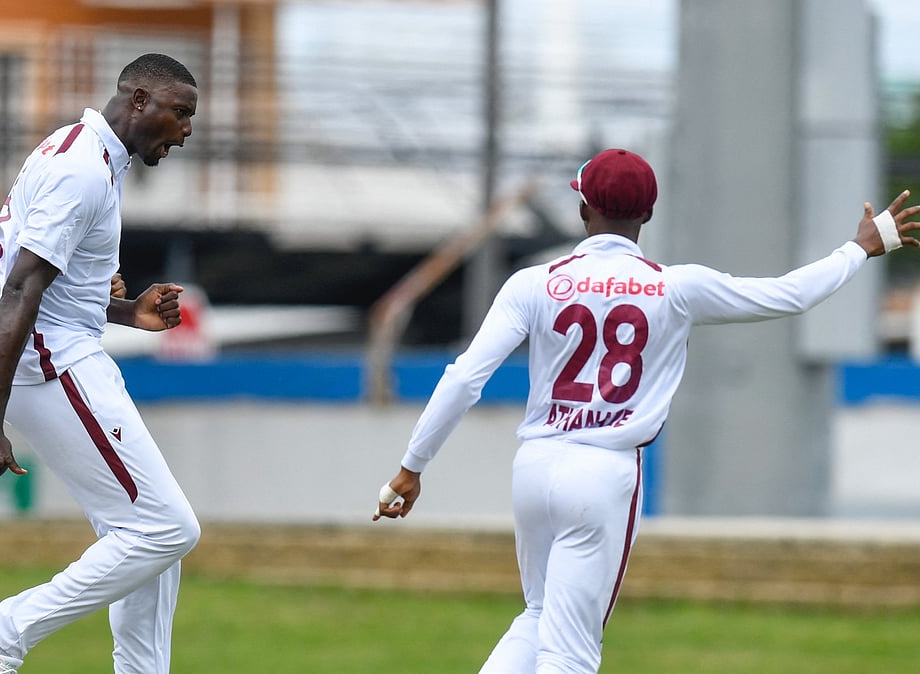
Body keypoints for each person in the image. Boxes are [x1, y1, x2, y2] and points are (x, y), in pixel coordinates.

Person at [371, 147, 920, 674]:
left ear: (583, 208)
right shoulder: (675, 287)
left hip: (535, 465)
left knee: (537, 618)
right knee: (570, 655)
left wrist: (411, 467)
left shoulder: (533, 283)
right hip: (603, 473)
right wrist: (858, 249)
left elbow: (465, 377)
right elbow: (787, 295)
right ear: (648, 214)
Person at [0, 53, 200, 674]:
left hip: (56, 348)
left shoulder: (86, 153)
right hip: (45, 360)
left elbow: (55, 285)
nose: (187, 130)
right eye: (181, 113)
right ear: (139, 100)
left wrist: (126, 311)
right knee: (167, 529)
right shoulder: (82, 170)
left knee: (146, 532)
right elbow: (20, 289)